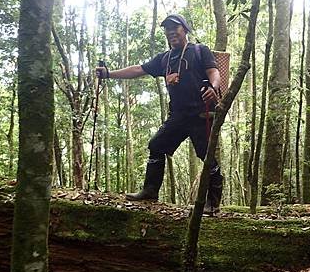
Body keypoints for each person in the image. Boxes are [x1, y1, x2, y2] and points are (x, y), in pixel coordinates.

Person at [96, 13, 223, 214]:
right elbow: (138, 69)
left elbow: (213, 72)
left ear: (185, 29)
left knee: (206, 156)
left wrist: (213, 88)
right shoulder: (164, 59)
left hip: (201, 115)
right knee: (156, 145)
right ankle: (150, 190)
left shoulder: (199, 51)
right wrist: (109, 74)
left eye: (176, 28)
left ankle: (212, 204)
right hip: (178, 116)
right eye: (167, 29)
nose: (171, 32)